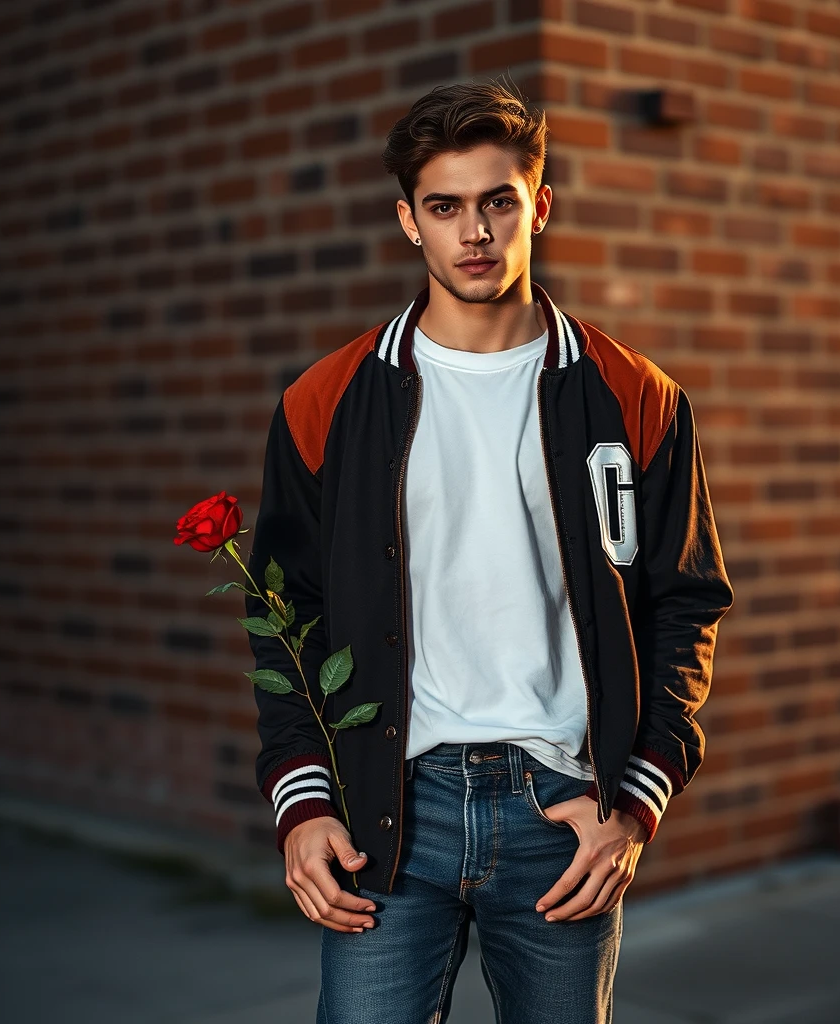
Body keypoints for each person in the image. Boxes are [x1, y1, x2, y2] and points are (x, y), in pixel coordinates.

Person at [245, 75, 734, 1024]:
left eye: (498, 202)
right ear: (408, 221)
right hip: (386, 816)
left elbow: (687, 605)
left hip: (563, 815)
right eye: (446, 206)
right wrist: (302, 805)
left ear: (538, 206)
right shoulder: (325, 404)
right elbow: (284, 615)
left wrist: (635, 801)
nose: (475, 231)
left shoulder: (636, 398)